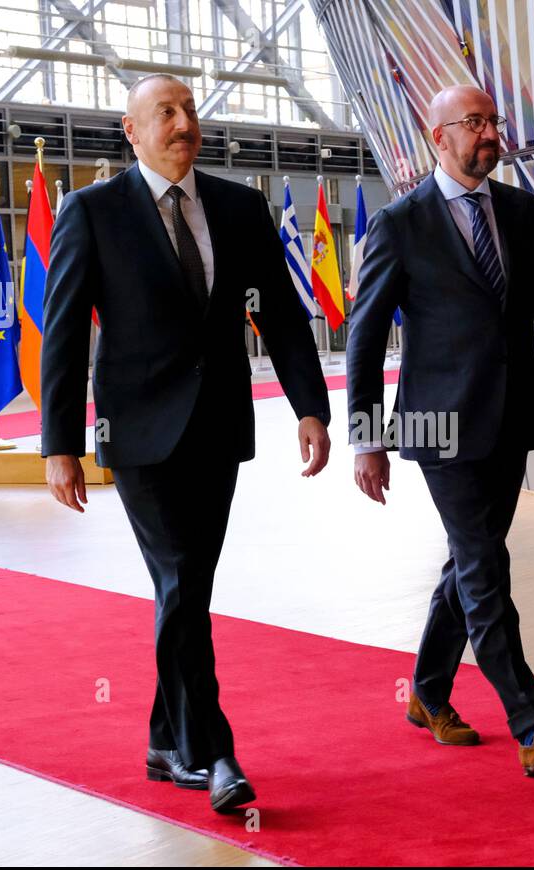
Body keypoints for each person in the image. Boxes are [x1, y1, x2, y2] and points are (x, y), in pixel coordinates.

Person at [40, 73, 332, 812]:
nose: (183, 124)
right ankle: (214, 751)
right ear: (131, 130)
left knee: (188, 588)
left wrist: (310, 408)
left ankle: (164, 739)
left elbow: (283, 317)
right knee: (180, 582)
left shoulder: (239, 206)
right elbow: (66, 333)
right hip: (136, 432)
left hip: (219, 426)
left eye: (189, 111)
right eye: (165, 113)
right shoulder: (92, 212)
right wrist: (59, 443)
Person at [347, 85, 534, 776]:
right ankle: (531, 723)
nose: (489, 133)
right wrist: (366, 437)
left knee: (469, 561)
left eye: (493, 121)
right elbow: (365, 338)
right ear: (439, 137)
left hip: (510, 421)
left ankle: (428, 693)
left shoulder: (523, 213)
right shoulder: (400, 224)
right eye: (475, 123)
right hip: (438, 426)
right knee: (487, 571)